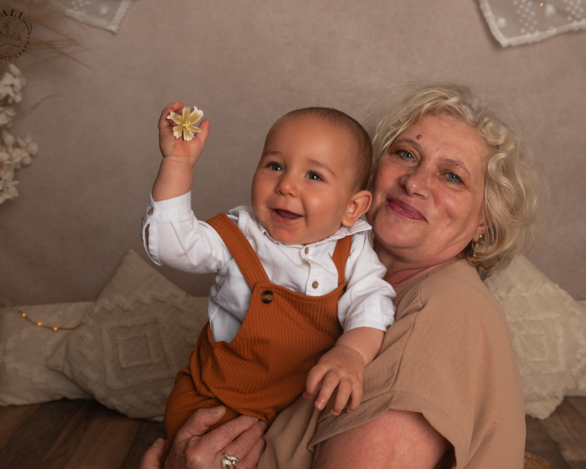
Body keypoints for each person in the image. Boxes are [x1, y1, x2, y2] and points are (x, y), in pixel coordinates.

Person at [141, 82, 542, 469]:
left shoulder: (443, 309)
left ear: (483, 223)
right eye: (405, 154)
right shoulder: (339, 267)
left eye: (452, 176)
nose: (415, 182)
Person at [141, 105, 397, 445]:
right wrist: (177, 164)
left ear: (352, 208)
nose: (286, 185)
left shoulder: (352, 250)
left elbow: (370, 304)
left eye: (314, 176)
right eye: (275, 166)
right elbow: (172, 245)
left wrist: (351, 354)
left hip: (296, 410)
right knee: (199, 450)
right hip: (215, 400)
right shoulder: (240, 234)